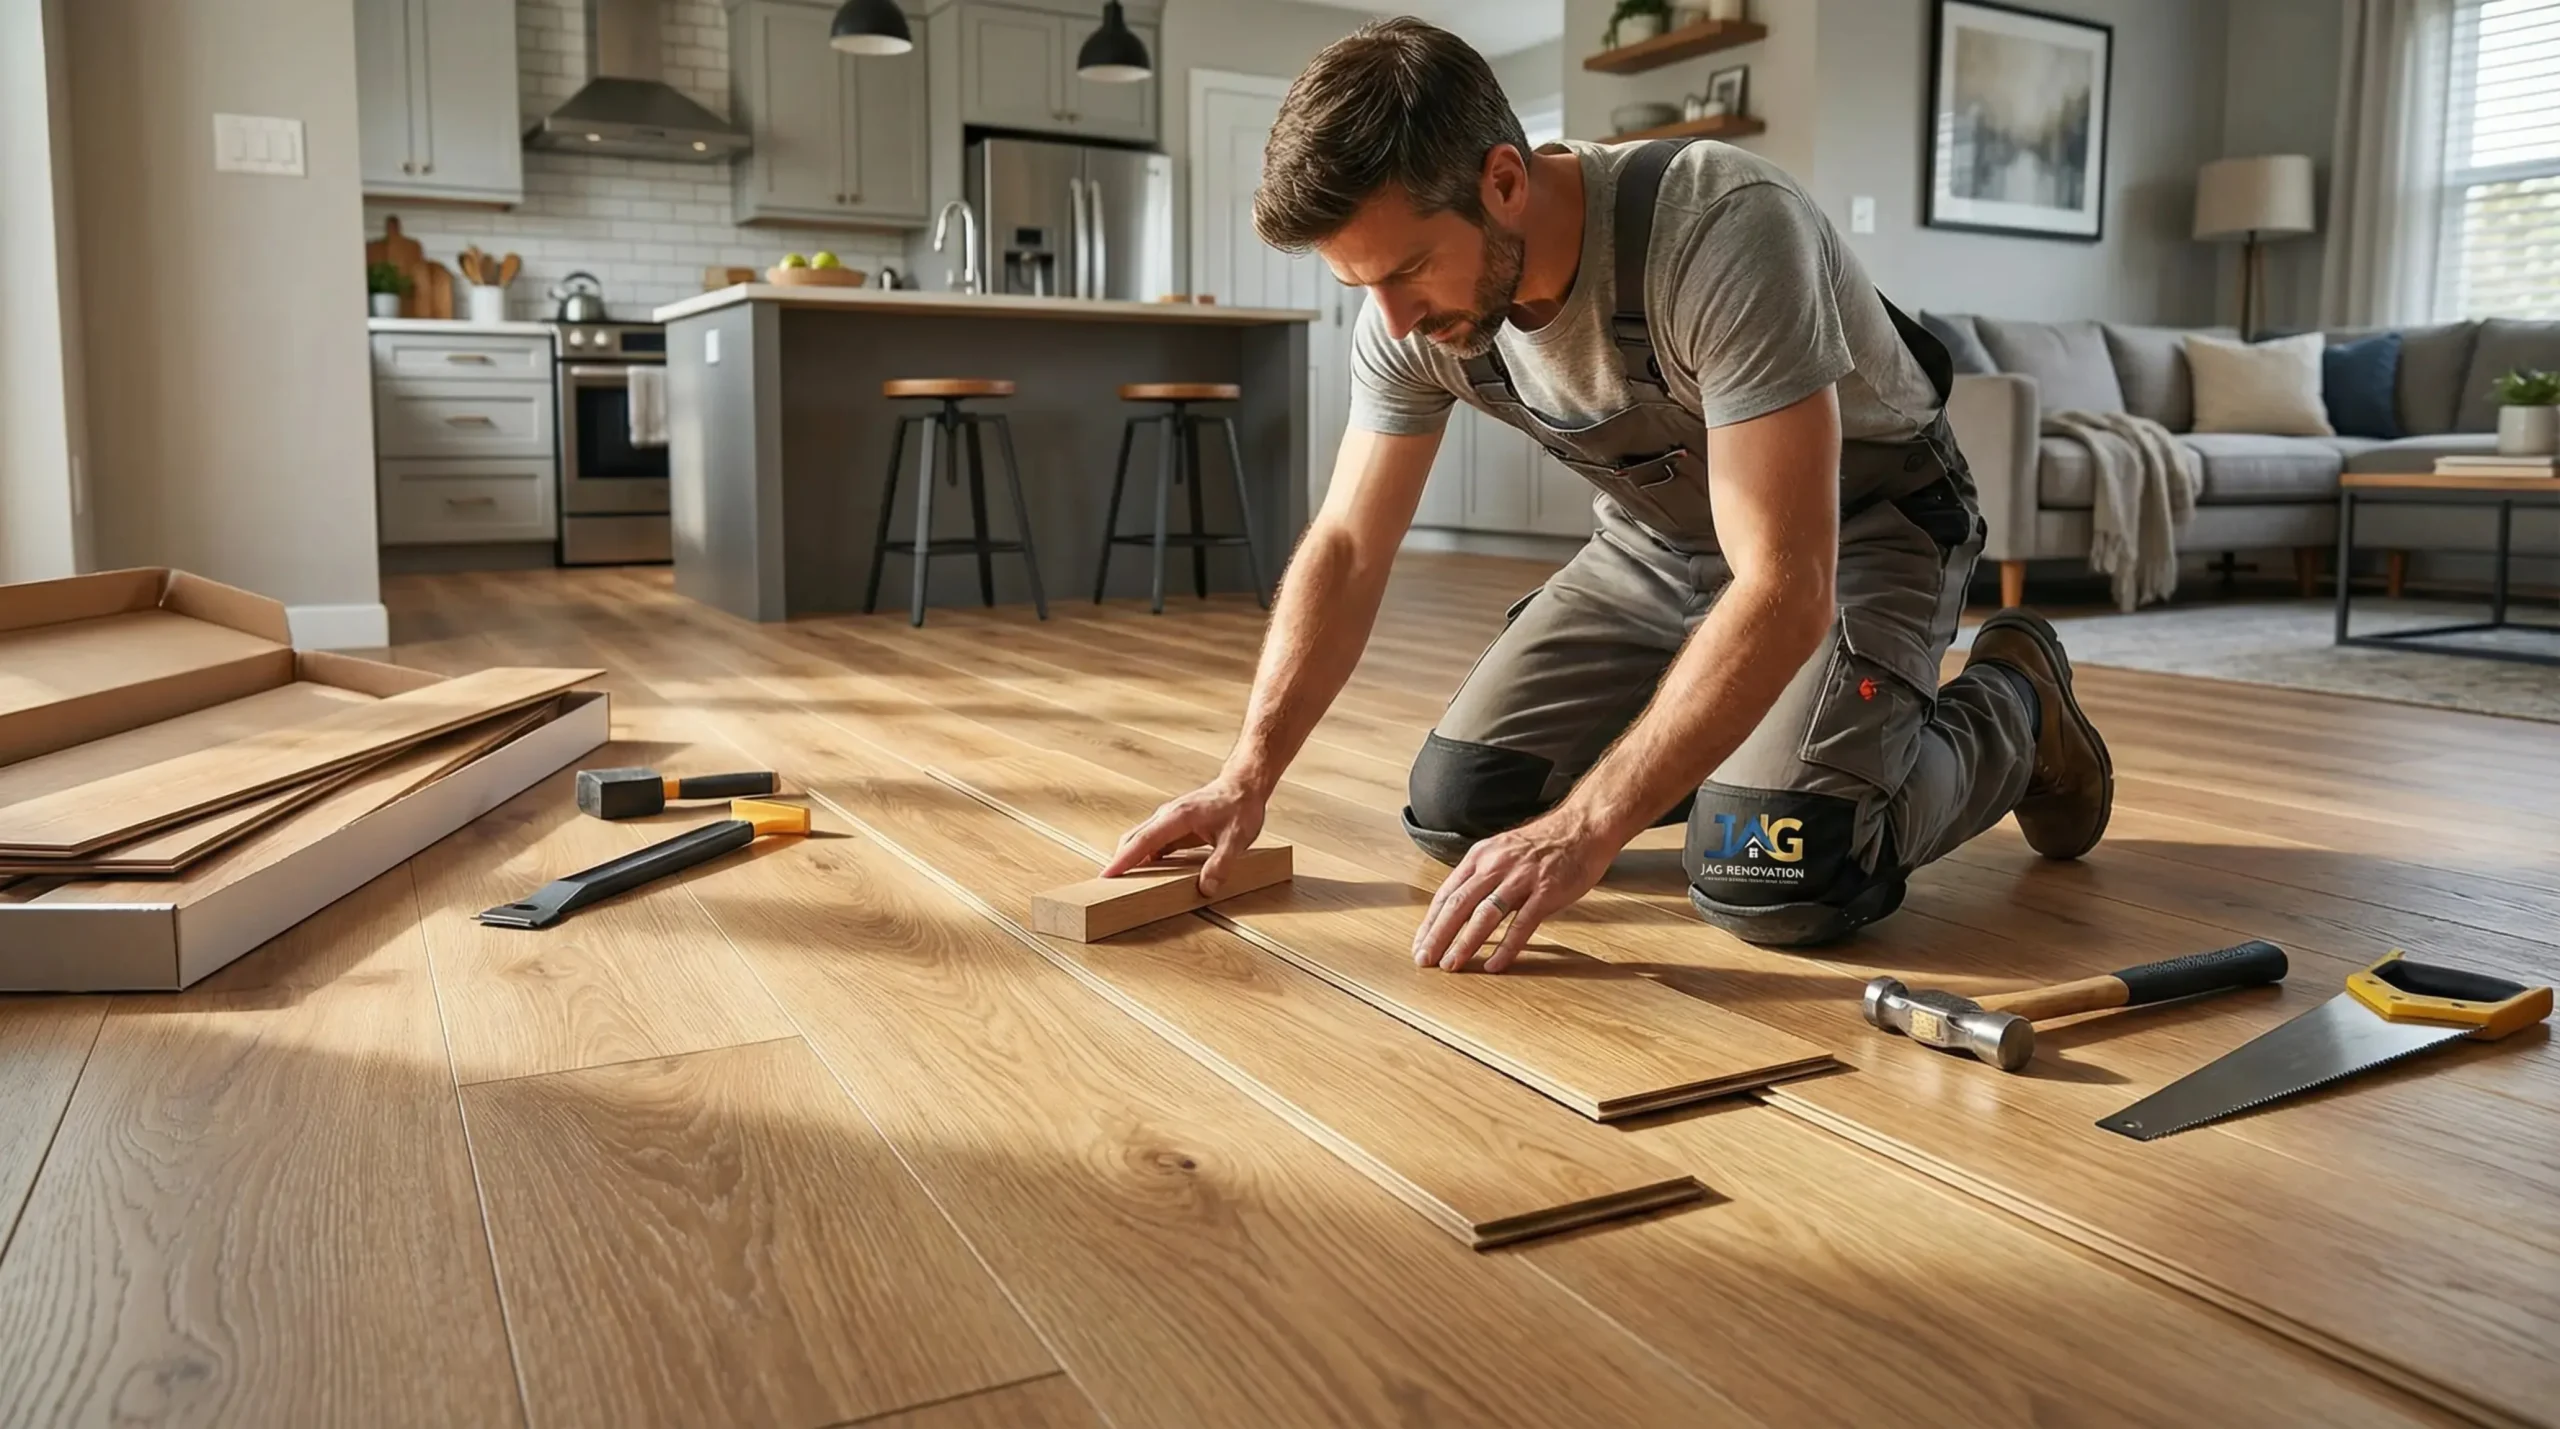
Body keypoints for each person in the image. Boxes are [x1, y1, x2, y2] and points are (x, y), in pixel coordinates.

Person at [1101, 17, 2112, 972]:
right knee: (1462, 809)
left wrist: (1587, 828)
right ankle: (1737, 755)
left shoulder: (1718, 228)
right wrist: (1248, 773)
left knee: (1773, 865)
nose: (1393, 321)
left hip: (1856, 532)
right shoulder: (1409, 316)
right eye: (1361, 285)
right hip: (1658, 547)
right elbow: (1347, 549)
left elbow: (1785, 583)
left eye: (1408, 270)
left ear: (1503, 181)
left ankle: (2019, 705)